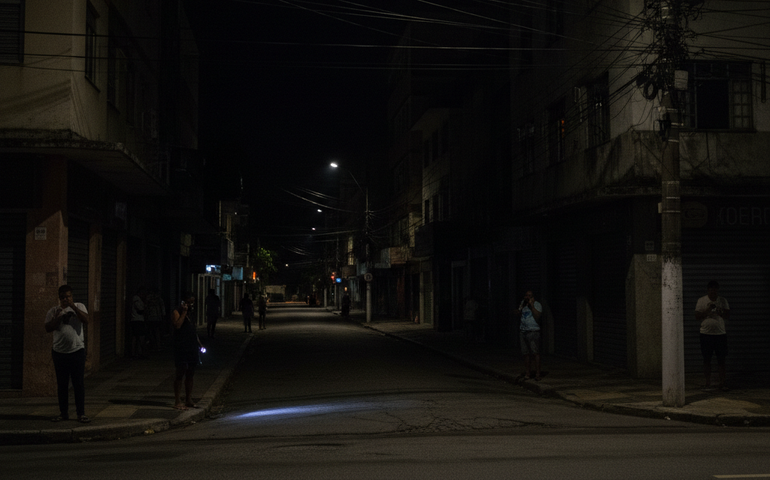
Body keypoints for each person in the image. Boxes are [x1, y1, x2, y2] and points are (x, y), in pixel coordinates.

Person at [45, 285, 91, 423]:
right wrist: (59, 316)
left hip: (77, 351)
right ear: (59, 298)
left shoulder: (80, 306)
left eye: (68, 296)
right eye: (63, 297)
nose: (66, 299)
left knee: (78, 384)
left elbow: (86, 320)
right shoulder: (53, 311)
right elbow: (48, 328)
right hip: (59, 353)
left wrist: (73, 308)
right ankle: (63, 413)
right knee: (62, 385)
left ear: (72, 297)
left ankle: (81, 413)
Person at [695, 280, 730, 391]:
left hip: (720, 334)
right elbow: (697, 316)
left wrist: (720, 311)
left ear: (717, 290)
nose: (713, 292)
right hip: (706, 334)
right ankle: (708, 383)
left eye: (715, 290)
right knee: (707, 359)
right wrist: (707, 310)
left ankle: (722, 383)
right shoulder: (702, 300)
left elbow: (727, 315)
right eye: (711, 290)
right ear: (708, 290)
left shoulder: (722, 301)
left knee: (721, 359)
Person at [172, 291, 202, 410]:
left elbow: (193, 330)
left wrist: (199, 343)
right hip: (181, 346)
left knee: (190, 373)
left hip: (192, 346)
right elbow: (177, 325)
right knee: (180, 372)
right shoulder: (177, 312)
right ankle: (177, 400)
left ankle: (188, 399)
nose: (191, 305)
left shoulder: (191, 314)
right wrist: (184, 312)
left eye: (192, 302)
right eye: (189, 302)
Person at [516, 289, 542, 381]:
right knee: (525, 353)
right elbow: (518, 314)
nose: (527, 297)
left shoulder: (537, 304)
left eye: (529, 296)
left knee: (535, 352)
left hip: (533, 331)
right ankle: (528, 372)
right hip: (523, 331)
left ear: (533, 297)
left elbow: (538, 316)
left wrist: (531, 306)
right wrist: (521, 307)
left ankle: (538, 373)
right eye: (526, 295)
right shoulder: (523, 304)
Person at [145, 287, 166, 352]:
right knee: (157, 332)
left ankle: (153, 344)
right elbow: (162, 309)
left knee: (151, 331)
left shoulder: (148, 298)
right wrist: (163, 316)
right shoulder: (159, 299)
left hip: (150, 317)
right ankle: (157, 345)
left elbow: (146, 306)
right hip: (157, 317)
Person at [130, 287, 147, 358]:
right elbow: (140, 309)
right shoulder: (136, 299)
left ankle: (136, 353)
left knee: (136, 337)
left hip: (137, 320)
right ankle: (137, 353)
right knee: (140, 337)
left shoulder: (138, 299)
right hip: (137, 321)